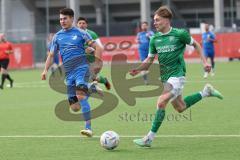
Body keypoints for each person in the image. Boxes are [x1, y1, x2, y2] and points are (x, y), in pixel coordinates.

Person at [129, 6, 223, 147]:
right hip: (166, 78)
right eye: (154, 20)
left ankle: (149, 138)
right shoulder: (154, 39)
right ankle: (206, 92)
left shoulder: (179, 34)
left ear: (166, 20)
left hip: (177, 76)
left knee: (161, 102)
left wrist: (204, 62)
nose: (154, 23)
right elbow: (149, 60)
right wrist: (137, 69)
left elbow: (196, 44)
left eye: (157, 20)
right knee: (180, 107)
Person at [41, 8, 103, 137]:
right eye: (60, 19)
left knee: (80, 96)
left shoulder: (81, 33)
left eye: (65, 18)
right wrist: (45, 70)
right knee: (75, 107)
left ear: (71, 19)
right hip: (69, 73)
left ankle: (88, 128)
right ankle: (91, 88)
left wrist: (97, 62)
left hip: (82, 68)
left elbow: (97, 47)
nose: (62, 21)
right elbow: (51, 55)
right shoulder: (57, 36)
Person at [77, 17, 111, 90]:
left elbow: (100, 47)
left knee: (93, 77)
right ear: (77, 25)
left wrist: (92, 51)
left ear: (86, 25)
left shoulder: (92, 34)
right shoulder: (74, 35)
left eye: (83, 23)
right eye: (80, 23)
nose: (81, 25)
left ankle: (103, 81)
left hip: (91, 60)